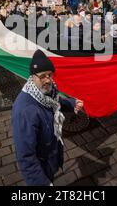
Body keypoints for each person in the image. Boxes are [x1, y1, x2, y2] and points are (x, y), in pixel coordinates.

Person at [12, 50, 84, 186]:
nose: (47, 80)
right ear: (33, 77)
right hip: (41, 165)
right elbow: (26, 156)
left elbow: (56, 101)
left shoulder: (47, 90)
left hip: (51, 156)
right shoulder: (25, 111)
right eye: (42, 76)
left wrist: (72, 103)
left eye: (50, 75)